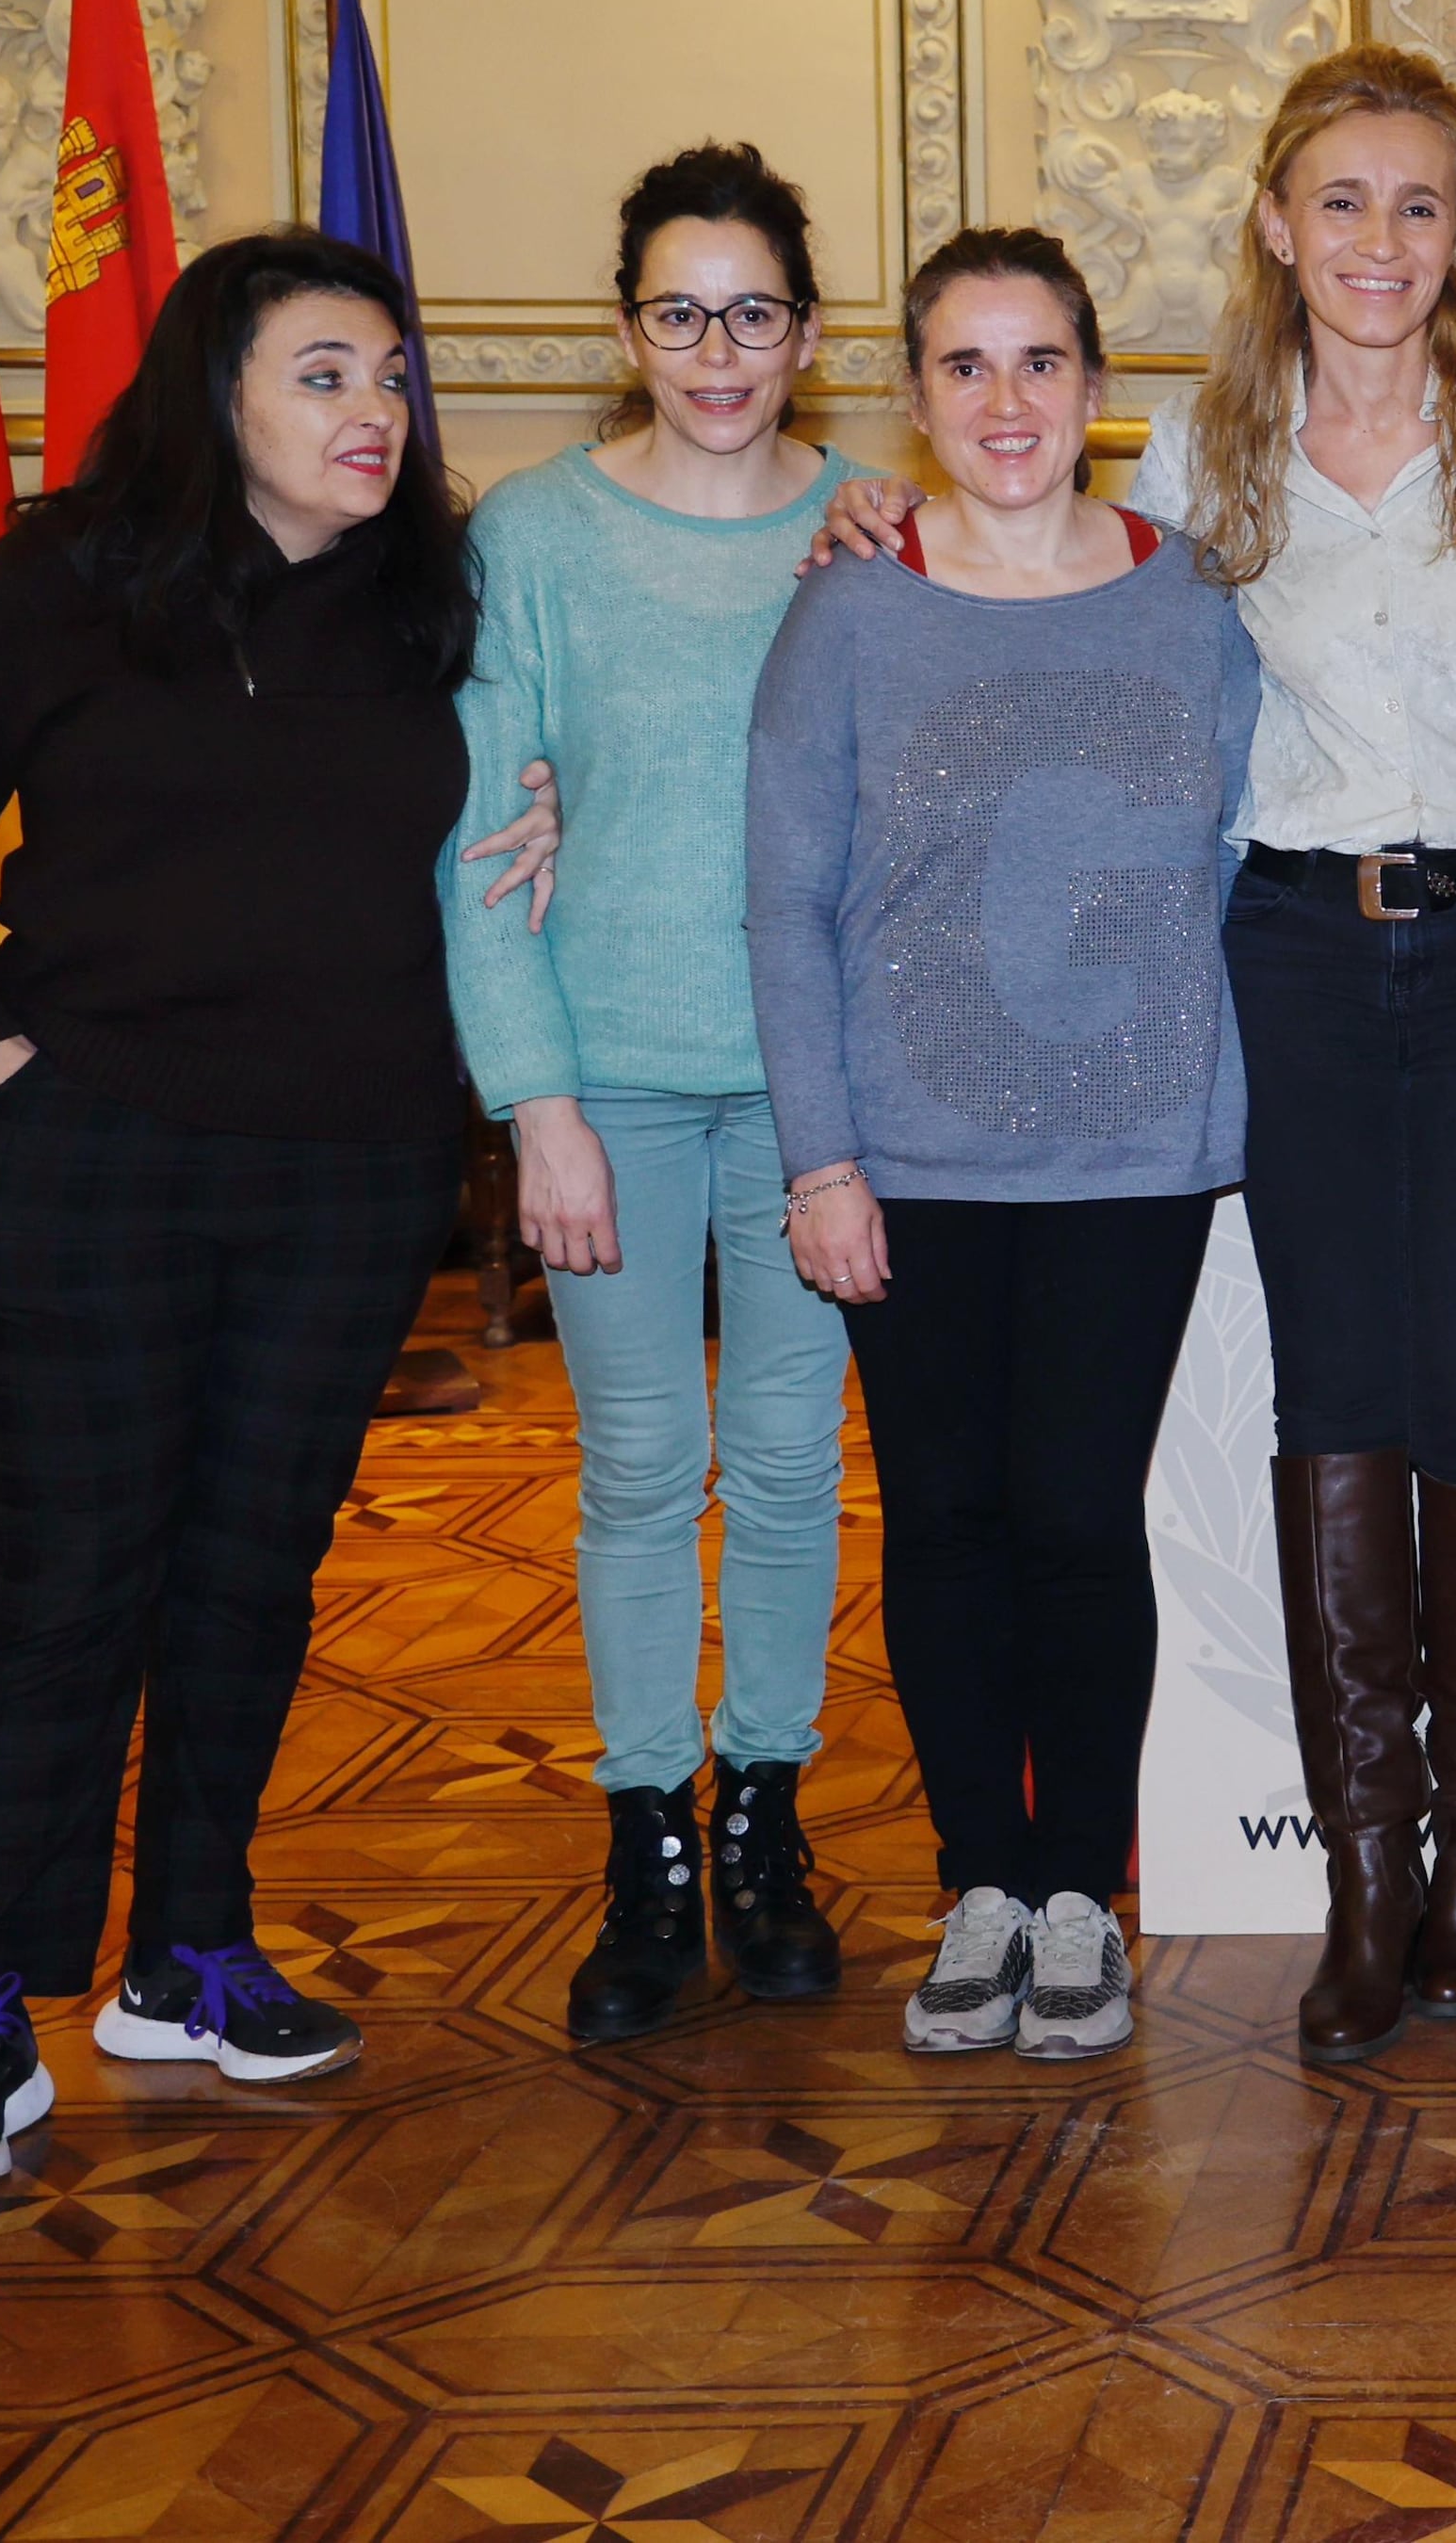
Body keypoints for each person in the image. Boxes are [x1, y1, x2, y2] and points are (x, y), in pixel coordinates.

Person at [821, 47, 1456, 2065]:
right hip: (1281, 943)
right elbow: (1048, 604)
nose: (1382, 243)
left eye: (1422, 206)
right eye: (1345, 203)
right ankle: (1363, 1883)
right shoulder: (1201, 452)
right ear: (1280, 223)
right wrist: (876, 514)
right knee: (1335, 1386)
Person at [0, 231, 477, 2193]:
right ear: (218, 393)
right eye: (322, 373)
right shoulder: (68, 582)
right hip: (84, 1164)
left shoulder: (435, 601)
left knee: (249, 1571)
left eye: (388, 372)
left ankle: (188, 1949)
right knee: (62, 1583)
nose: (372, 408)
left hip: (349, 1176)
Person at [747, 226, 1258, 2065]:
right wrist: (818, 1157)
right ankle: (977, 1876)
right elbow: (783, 901)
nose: (1005, 401)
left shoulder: (1197, 599)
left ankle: (1073, 1895)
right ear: (911, 400)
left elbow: (1254, 856)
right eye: (963, 367)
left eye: (1038, 361)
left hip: (1132, 1155)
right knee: (947, 1517)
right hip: (906, 1154)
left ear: (1100, 390)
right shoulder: (852, 609)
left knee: (1073, 1512)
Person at [446, 144, 866, 2047]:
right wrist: (535, 1102)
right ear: (628, 330)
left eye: (754, 311)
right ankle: (648, 1843)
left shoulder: (875, 524)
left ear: (805, 329)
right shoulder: (530, 540)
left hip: (813, 1091)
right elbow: (479, 836)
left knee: (786, 1468)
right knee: (639, 1468)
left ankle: (769, 1820)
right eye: (680, 312)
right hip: (607, 1079)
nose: (719, 349)